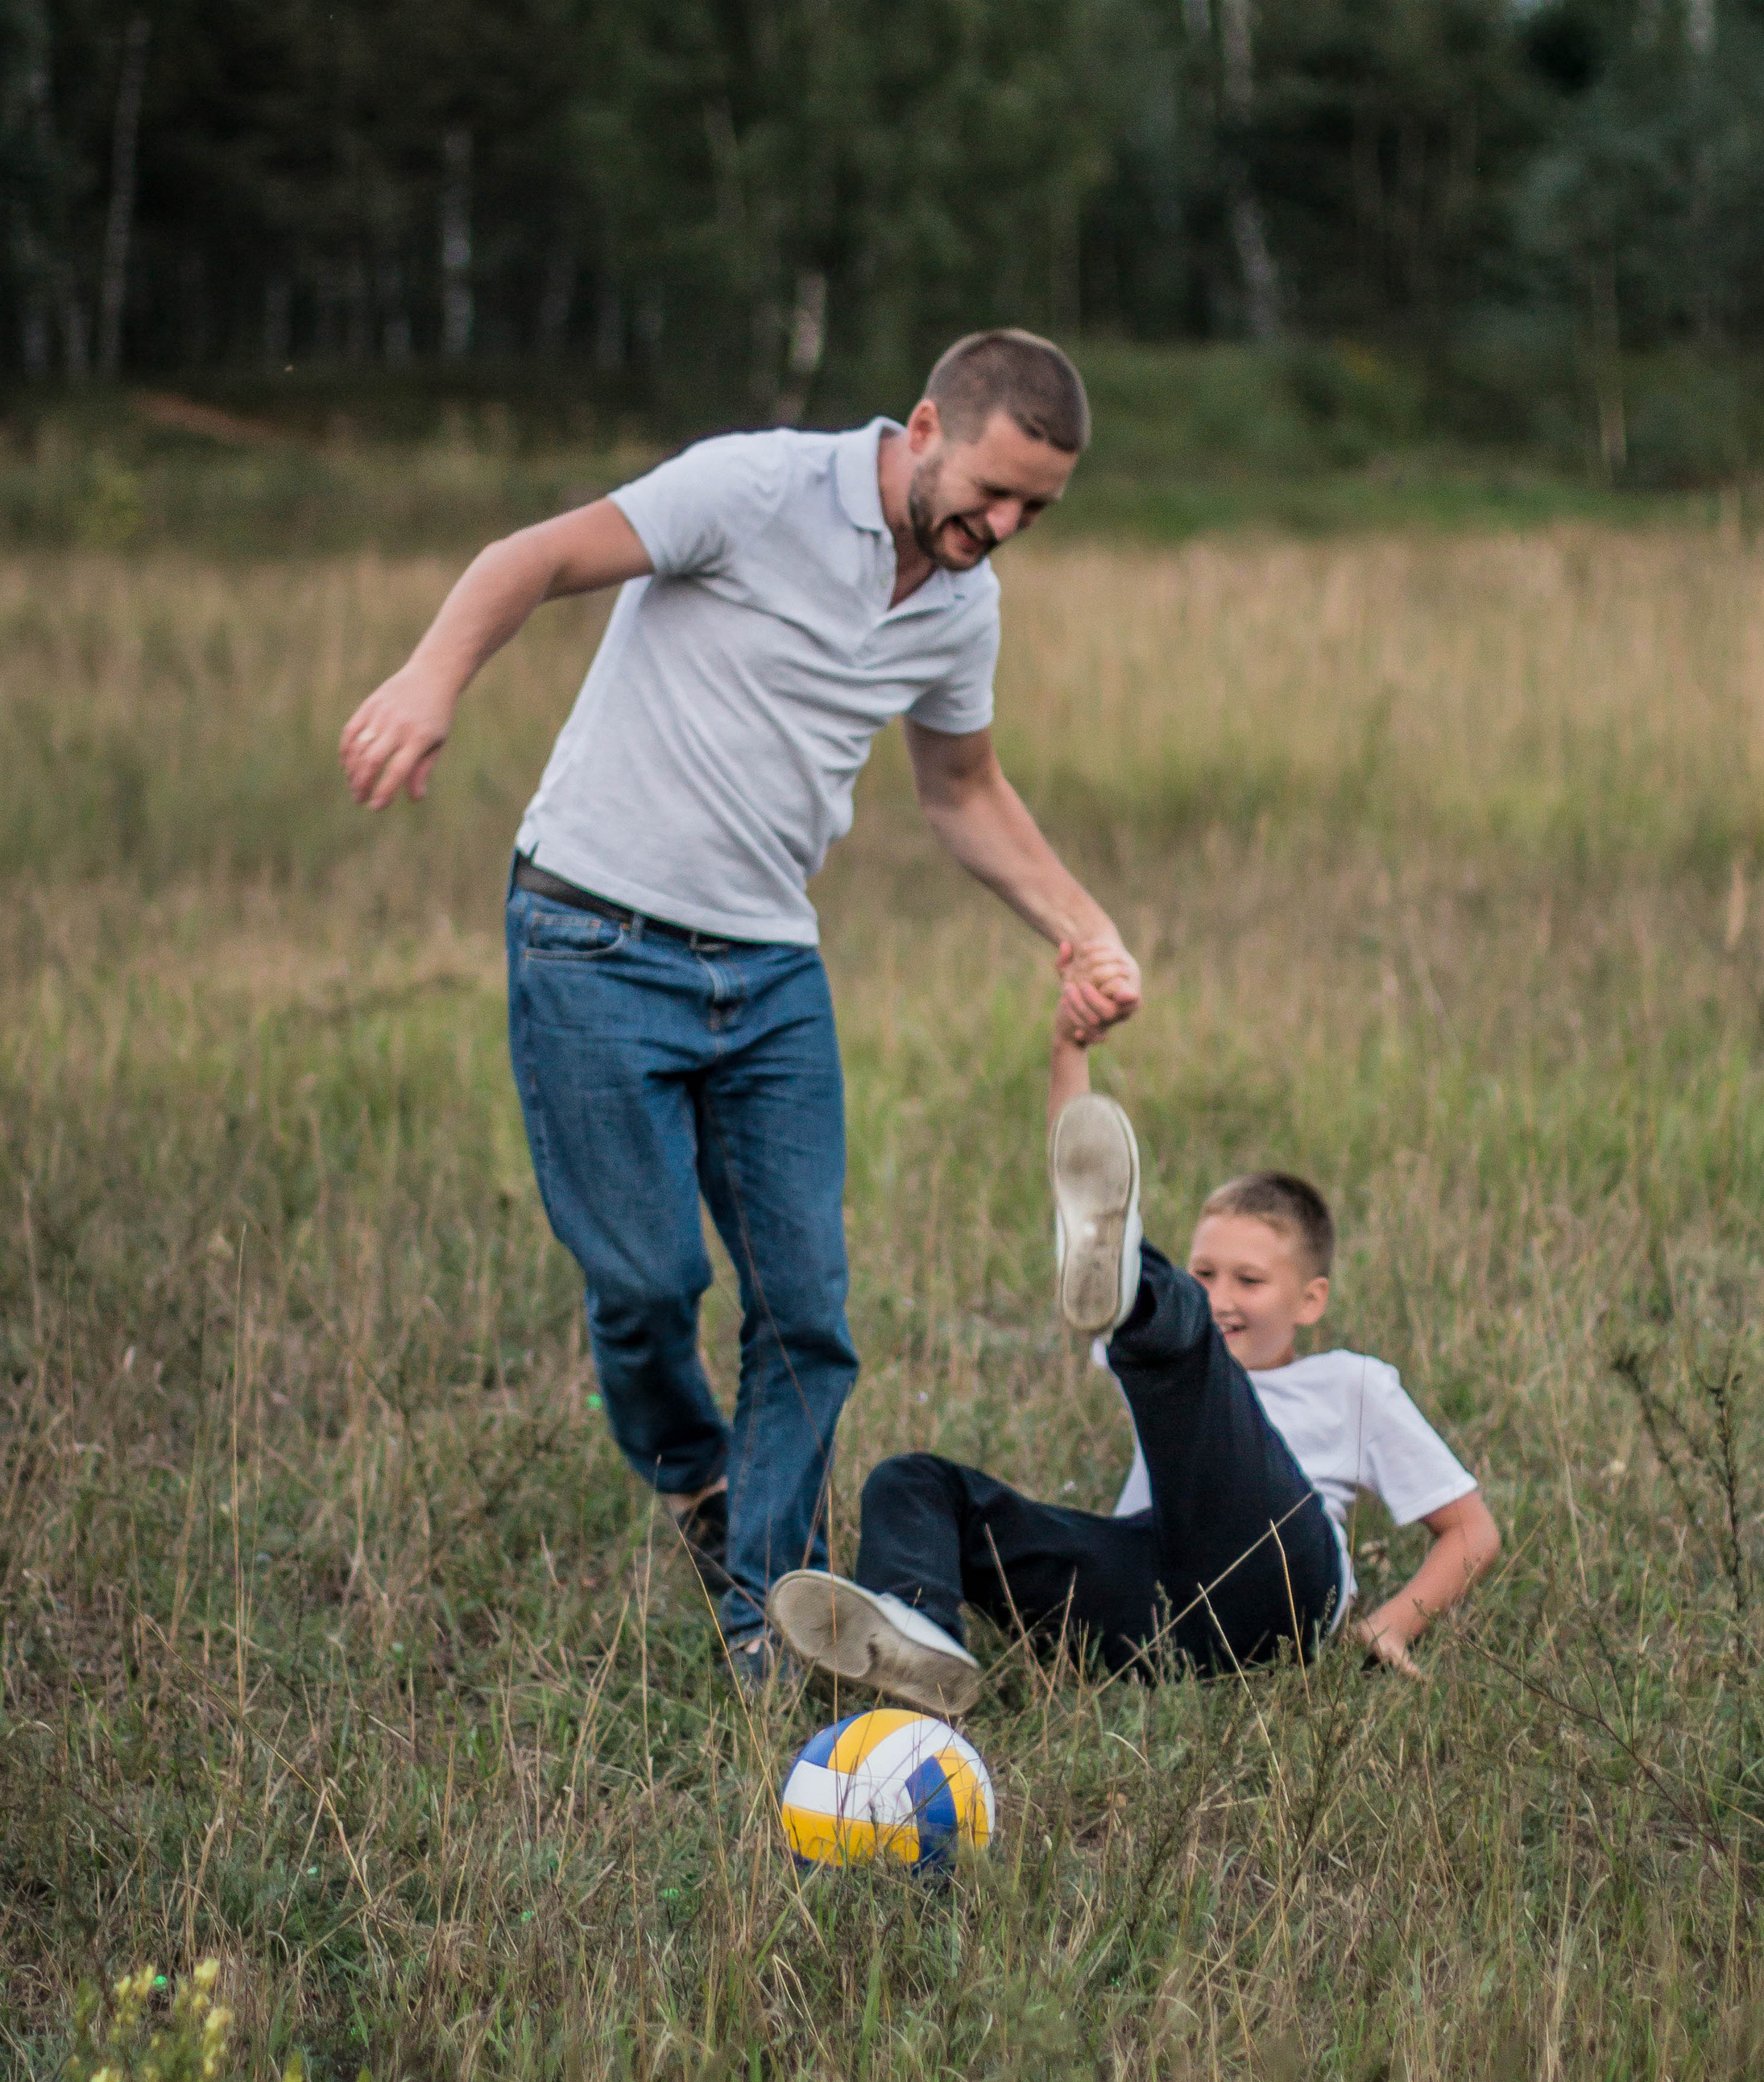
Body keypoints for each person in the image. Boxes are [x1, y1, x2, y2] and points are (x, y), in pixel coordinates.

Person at [338, 332, 1140, 1675]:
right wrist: (430, 681)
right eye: (992, 492)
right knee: (648, 1283)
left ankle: (764, 1610)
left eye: (1033, 512)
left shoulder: (959, 606)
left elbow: (961, 792)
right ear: (929, 425)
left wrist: (1083, 922)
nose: (1002, 527)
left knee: (809, 1312)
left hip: (770, 970)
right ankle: (694, 1479)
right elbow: (526, 560)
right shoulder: (754, 490)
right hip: (593, 934)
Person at [770, 963, 1498, 1712]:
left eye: (1249, 1281)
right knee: (912, 1481)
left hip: (1281, 1592)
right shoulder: (1171, 1365)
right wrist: (1067, 1053)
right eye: (1205, 1274)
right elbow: (1078, 1176)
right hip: (1147, 1611)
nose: (1222, 1299)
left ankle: (1138, 1283)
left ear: (1312, 1300)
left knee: (1180, 1343)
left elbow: (1471, 1530)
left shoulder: (1352, 1383)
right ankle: (918, 1640)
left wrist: (1392, 1625)